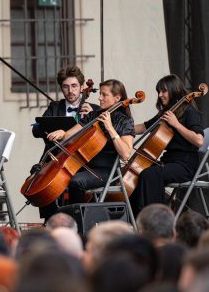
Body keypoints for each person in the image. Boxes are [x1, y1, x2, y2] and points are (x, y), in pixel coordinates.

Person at [46, 79, 135, 207]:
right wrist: (62, 134)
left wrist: (110, 128)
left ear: (117, 98)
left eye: (104, 95)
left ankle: (78, 220)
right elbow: (70, 134)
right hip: (84, 166)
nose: (99, 98)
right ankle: (55, 218)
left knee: (75, 181)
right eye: (100, 94)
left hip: (107, 171)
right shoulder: (93, 115)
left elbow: (126, 154)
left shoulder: (125, 121)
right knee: (55, 176)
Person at [32, 65, 100, 220]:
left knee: (76, 181)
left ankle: (78, 221)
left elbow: (98, 137)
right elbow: (37, 130)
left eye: (74, 86)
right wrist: (51, 131)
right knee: (39, 176)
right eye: (66, 87)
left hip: (82, 162)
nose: (70, 91)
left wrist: (90, 118)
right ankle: (50, 220)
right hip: (55, 158)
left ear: (82, 88)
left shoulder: (94, 109)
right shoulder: (54, 107)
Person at [130, 74, 204, 214]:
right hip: (168, 161)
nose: (160, 95)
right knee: (138, 173)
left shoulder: (189, 111)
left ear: (174, 90)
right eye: (159, 91)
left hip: (185, 165)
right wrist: (121, 128)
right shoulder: (167, 112)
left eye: (163, 91)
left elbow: (199, 140)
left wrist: (176, 124)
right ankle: (137, 217)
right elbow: (144, 127)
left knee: (151, 175)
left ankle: (155, 218)